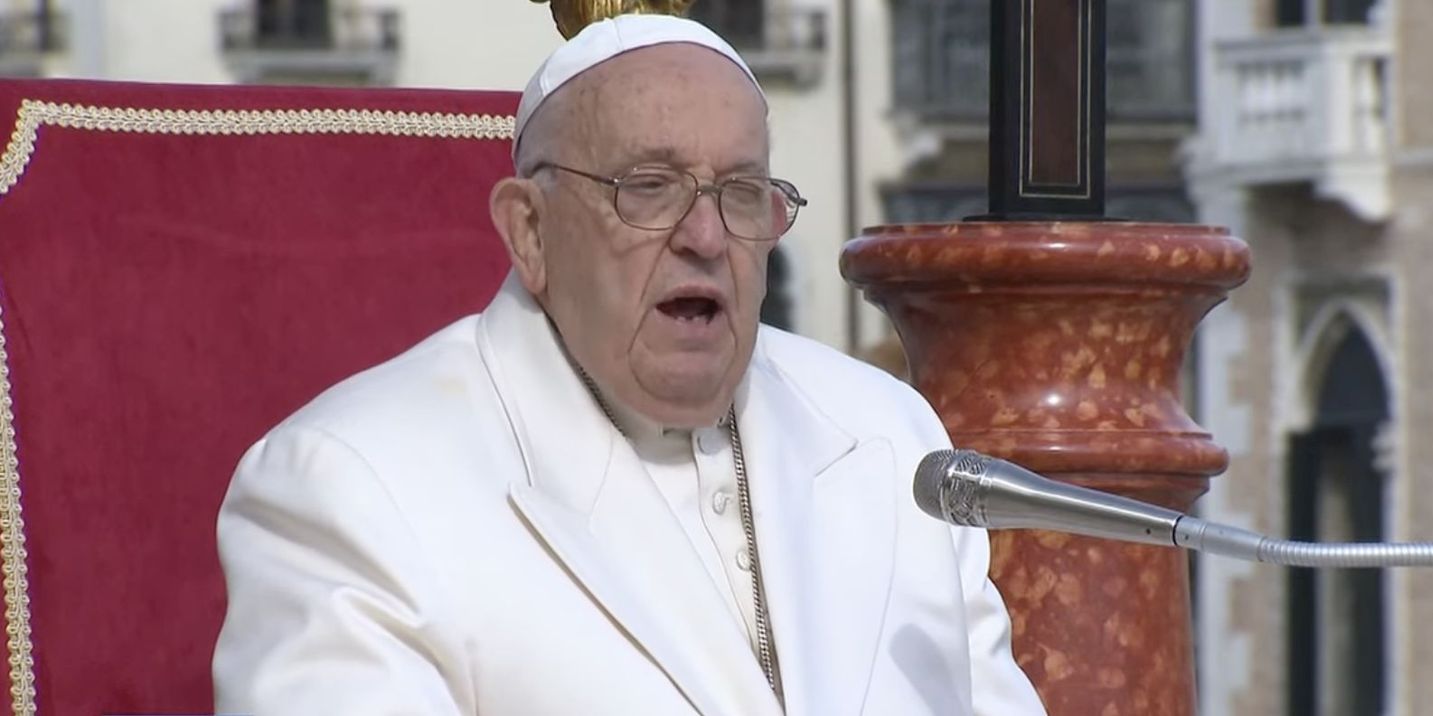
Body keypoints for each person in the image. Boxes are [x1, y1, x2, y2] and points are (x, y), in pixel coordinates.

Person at [212, 14, 1044, 716]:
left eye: (743, 191)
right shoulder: (352, 486)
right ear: (530, 232)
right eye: (650, 187)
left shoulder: (888, 436)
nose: (707, 237)